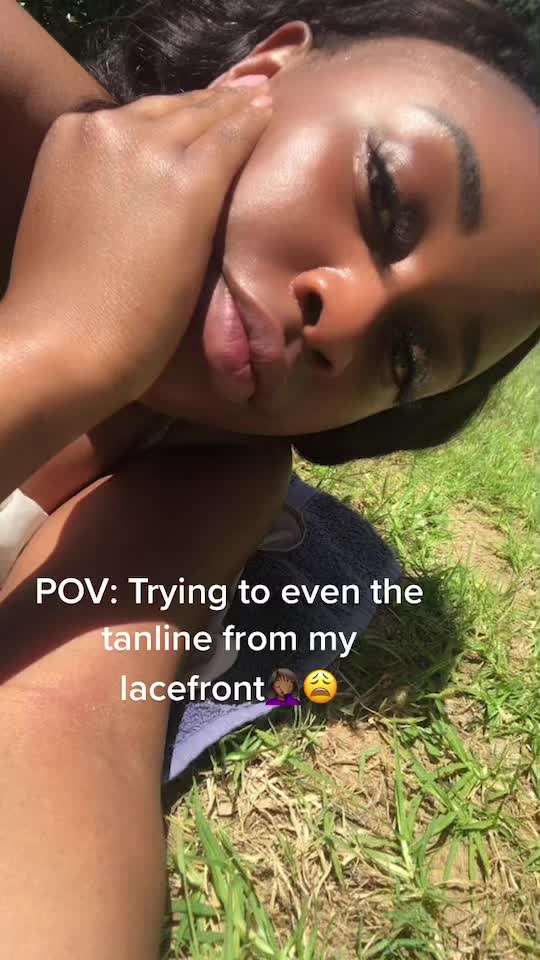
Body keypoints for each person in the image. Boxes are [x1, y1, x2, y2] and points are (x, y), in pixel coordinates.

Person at [0, 0, 538, 956]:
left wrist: (60, 351)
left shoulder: (206, 475)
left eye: (408, 355)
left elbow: (68, 730)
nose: (349, 316)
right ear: (264, 71)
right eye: (384, 199)